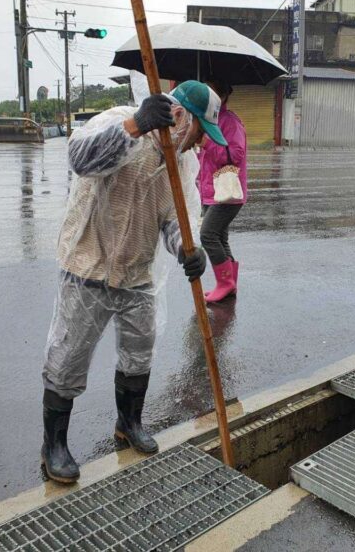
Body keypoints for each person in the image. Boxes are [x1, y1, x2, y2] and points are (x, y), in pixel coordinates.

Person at [39, 81, 227, 483]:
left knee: (139, 352)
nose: (198, 146)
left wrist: (188, 250)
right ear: (181, 118)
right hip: (88, 266)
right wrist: (136, 125)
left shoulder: (182, 163)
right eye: (199, 134)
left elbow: (178, 217)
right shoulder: (119, 122)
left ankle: (130, 423)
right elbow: (80, 158)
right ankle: (53, 445)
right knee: (68, 358)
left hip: (136, 273)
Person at [197, 78, 247, 303]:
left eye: (215, 92)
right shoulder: (208, 121)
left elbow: (235, 156)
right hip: (210, 190)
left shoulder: (230, 122)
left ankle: (224, 283)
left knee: (207, 235)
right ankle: (230, 285)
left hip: (227, 192)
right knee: (220, 236)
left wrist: (207, 144)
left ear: (225, 95)